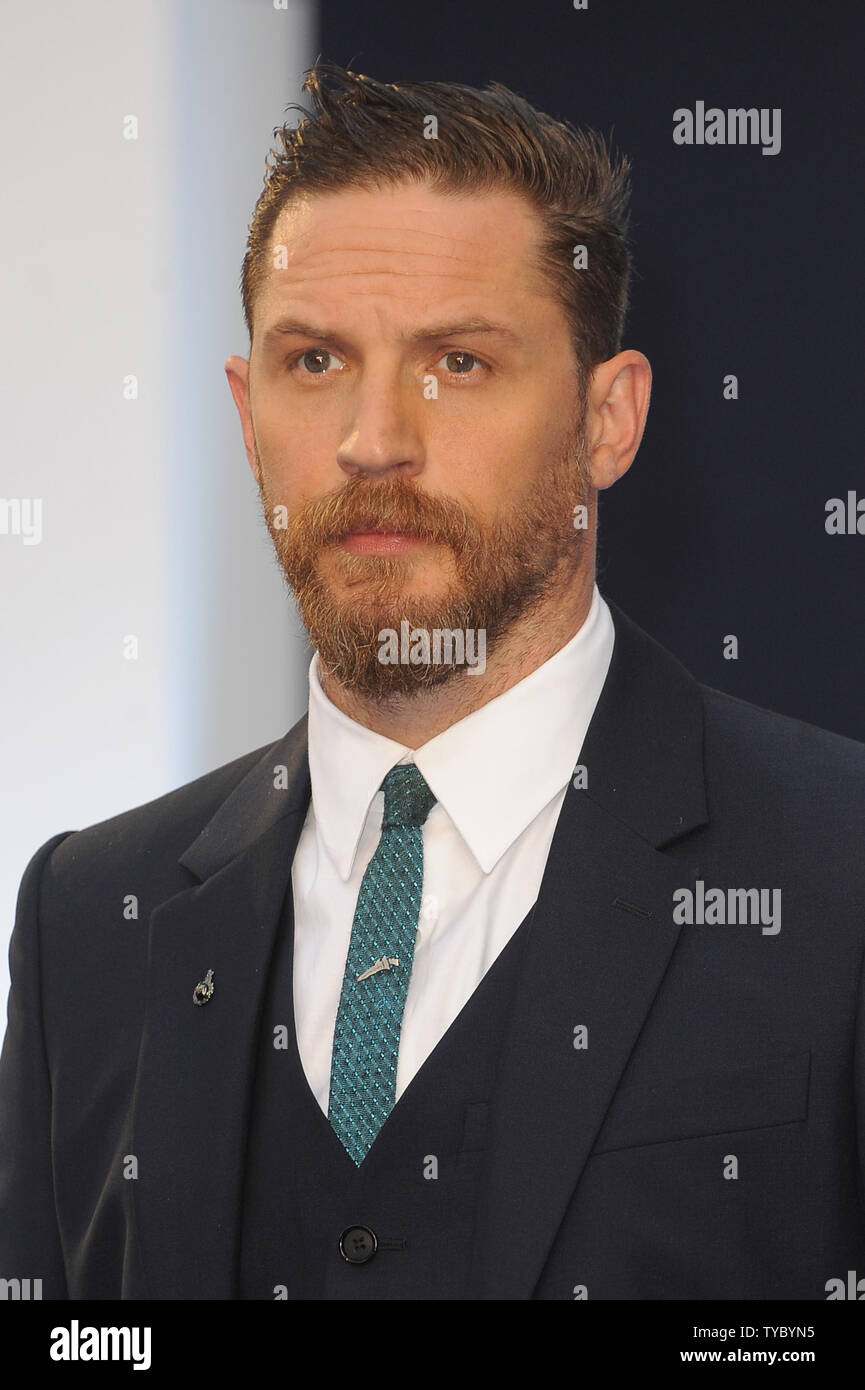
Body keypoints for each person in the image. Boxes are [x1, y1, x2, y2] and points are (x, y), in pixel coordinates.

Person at [2, 61, 864, 1302]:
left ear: (607, 420)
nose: (372, 439)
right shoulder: (91, 915)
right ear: (247, 416)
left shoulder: (835, 873)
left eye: (456, 362)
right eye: (314, 362)